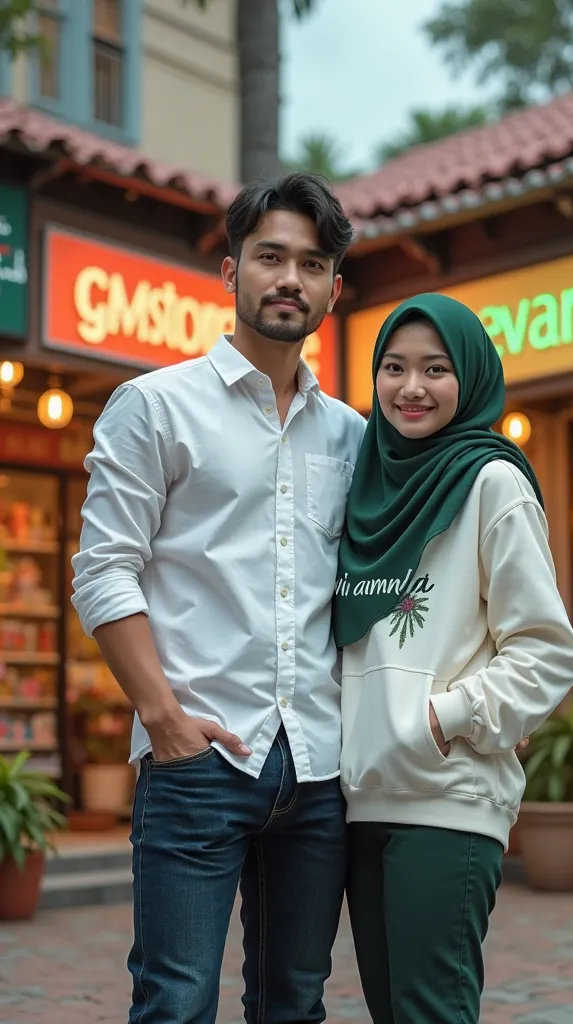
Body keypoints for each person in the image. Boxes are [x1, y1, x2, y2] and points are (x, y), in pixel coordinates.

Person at [71, 172, 366, 1024]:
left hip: (317, 768)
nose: (290, 280)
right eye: (270, 256)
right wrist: (163, 720)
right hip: (197, 761)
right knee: (175, 1004)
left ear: (333, 292)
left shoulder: (350, 434)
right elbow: (103, 570)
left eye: (312, 265)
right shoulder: (154, 407)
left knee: (294, 1005)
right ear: (231, 273)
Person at [333, 293, 573, 1024]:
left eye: (435, 369)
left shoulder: (492, 483)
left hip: (449, 801)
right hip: (360, 798)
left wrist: (445, 718)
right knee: (393, 1011)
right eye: (394, 367)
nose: (411, 387)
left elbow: (544, 648)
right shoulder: (366, 490)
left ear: (468, 377)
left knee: (430, 1012)